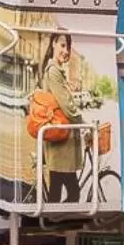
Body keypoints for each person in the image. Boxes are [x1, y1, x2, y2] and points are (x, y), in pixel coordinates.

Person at [34, 32, 87, 205]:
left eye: (68, 47)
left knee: (56, 192)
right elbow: (66, 105)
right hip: (61, 143)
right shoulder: (54, 72)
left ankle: (52, 222)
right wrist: (83, 123)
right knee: (73, 193)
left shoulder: (56, 71)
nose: (66, 50)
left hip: (60, 143)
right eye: (62, 45)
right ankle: (55, 222)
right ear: (53, 45)